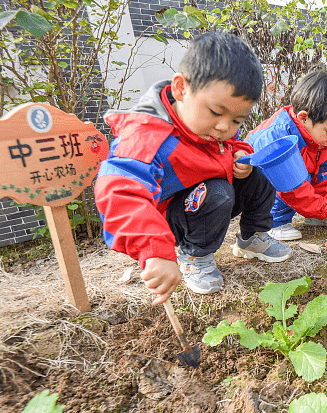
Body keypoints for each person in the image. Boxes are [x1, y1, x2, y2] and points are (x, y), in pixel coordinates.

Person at [95, 32, 291, 303]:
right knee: (217, 192)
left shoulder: (210, 128)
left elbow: (232, 143)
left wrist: (242, 155)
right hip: (171, 219)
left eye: (237, 119)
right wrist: (155, 250)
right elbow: (120, 190)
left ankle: (252, 237)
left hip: (210, 201)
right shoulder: (147, 135)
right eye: (216, 113)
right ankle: (193, 255)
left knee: (258, 167)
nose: (225, 127)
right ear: (180, 89)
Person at [245, 69, 327, 241]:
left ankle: (315, 215)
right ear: (304, 117)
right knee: (288, 178)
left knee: (308, 178)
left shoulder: (322, 140)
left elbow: (326, 179)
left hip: (292, 184)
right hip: (258, 186)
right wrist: (324, 209)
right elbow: (291, 188)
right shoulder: (277, 136)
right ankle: (275, 222)